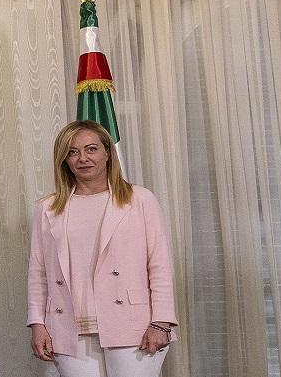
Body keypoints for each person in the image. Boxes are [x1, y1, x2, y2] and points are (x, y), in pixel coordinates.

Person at [26, 120, 177, 376]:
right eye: (72, 152)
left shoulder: (139, 199)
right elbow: (38, 273)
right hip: (67, 327)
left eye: (91, 149)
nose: (82, 158)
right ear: (64, 159)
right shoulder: (49, 208)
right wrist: (37, 323)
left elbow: (160, 265)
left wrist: (161, 322)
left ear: (108, 152)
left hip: (135, 325)